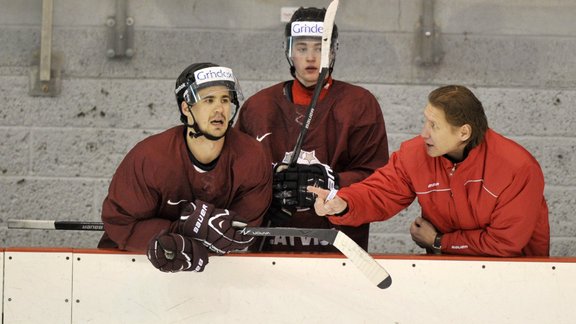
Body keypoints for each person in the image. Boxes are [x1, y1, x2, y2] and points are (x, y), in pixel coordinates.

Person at [309, 85, 550, 257]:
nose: (424, 133)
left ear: (463, 133)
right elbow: (380, 192)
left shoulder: (517, 168)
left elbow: (505, 243)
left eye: (434, 125)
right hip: (445, 271)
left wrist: (438, 241)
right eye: (425, 121)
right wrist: (344, 203)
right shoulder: (415, 154)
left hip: (517, 279)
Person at [236, 7, 389, 252]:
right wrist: (264, 193)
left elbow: (379, 178)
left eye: (320, 48)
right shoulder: (258, 107)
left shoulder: (360, 104)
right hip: (269, 245)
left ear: (333, 51)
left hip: (339, 246)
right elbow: (235, 176)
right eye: (302, 48)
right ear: (289, 52)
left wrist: (334, 181)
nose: (310, 57)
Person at [99, 62, 273, 272]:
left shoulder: (252, 156)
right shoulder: (151, 157)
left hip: (213, 271)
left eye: (225, 100)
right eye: (209, 100)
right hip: (134, 265)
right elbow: (120, 223)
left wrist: (196, 235)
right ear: (186, 108)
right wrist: (179, 232)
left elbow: (243, 230)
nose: (220, 109)